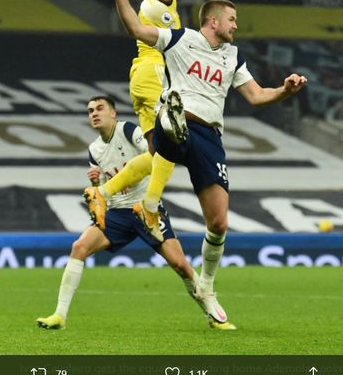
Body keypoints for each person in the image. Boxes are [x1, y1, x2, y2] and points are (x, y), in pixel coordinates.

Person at [101, 0, 308, 318]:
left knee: (219, 223)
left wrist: (285, 91)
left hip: (210, 137)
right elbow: (136, 29)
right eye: (232, 19)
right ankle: (151, 197)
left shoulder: (233, 56)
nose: (236, 26)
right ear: (212, 22)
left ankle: (207, 287)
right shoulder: (180, 39)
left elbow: (257, 97)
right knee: (169, 119)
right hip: (178, 123)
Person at [37, 95, 235, 330]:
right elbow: (104, 183)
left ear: (114, 113)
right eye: (90, 111)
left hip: (145, 210)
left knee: (180, 264)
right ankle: (59, 316)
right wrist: (97, 179)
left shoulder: (129, 131)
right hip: (118, 213)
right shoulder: (94, 149)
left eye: (100, 109)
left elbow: (156, 156)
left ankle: (212, 315)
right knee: (79, 247)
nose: (94, 114)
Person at [83, 0, 180, 241]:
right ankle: (147, 206)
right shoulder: (155, 9)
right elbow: (136, 29)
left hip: (144, 77)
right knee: (172, 146)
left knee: (155, 153)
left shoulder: (167, 4)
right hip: (154, 75)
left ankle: (104, 193)